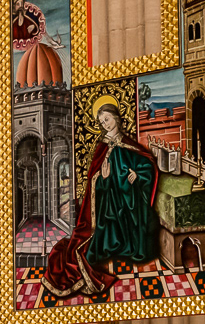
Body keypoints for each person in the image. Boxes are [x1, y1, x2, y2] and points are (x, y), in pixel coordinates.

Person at [42, 97, 160, 299]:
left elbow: (147, 166)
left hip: (129, 198)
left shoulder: (128, 144)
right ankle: (109, 245)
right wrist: (103, 179)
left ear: (115, 117)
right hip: (108, 200)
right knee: (98, 230)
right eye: (101, 122)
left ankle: (128, 245)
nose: (105, 124)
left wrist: (137, 175)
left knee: (139, 216)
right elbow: (94, 180)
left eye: (106, 119)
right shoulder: (102, 146)